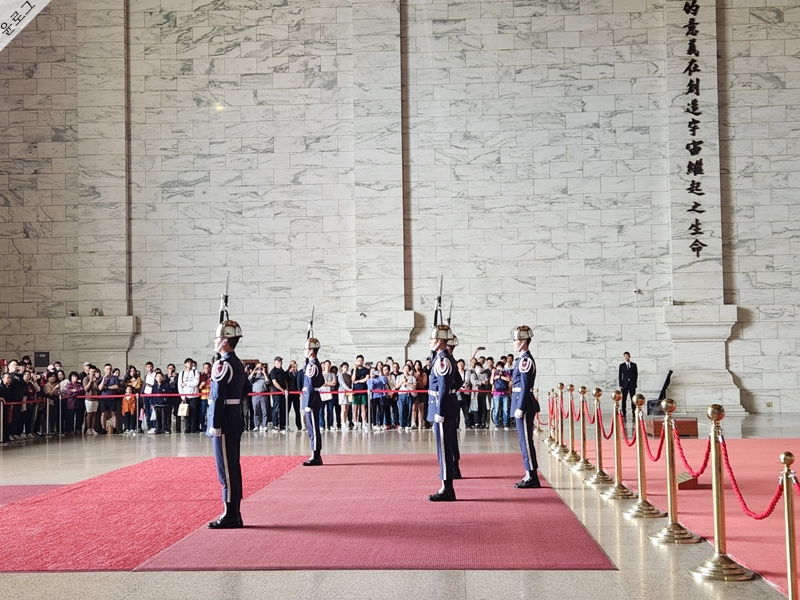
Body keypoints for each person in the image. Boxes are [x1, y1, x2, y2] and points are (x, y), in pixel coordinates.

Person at [207, 319, 248, 529]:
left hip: (223, 420)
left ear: (224, 341)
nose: (214, 341)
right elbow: (245, 390)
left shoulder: (222, 364)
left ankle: (230, 513)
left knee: (226, 470)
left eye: (217, 338)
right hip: (234, 417)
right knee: (233, 466)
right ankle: (234, 511)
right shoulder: (238, 363)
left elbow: (216, 396)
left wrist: (215, 424)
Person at [427, 324, 461, 501]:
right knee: (443, 448)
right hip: (440, 406)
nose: (430, 342)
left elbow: (443, 387)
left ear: (440, 341)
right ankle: (445, 485)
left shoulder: (443, 360)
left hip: (441, 408)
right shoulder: (440, 358)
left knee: (444, 448)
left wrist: (439, 410)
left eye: (432, 339)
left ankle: (447, 488)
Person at [510, 325, 541, 489]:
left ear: (523, 341)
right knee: (523, 440)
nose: (513, 344)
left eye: (515, 341)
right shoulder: (521, 360)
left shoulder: (525, 361)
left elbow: (524, 385)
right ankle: (529, 473)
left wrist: (520, 407)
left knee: (526, 441)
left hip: (524, 403)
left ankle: (532, 475)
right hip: (519, 401)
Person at [301, 333, 325, 465]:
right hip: (312, 397)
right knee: (312, 428)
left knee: (314, 429)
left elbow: (310, 386)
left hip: (312, 399)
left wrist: (308, 403)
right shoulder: (314, 364)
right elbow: (320, 381)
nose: (305, 352)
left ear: (311, 351)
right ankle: (314, 454)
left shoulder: (312, 365)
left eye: (306, 349)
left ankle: (316, 456)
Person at [249, 362, 270, 432]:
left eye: (260, 368)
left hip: (263, 394)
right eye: (258, 368)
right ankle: (256, 425)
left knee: (264, 410)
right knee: (255, 410)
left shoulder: (265, 376)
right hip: (255, 395)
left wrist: (264, 373)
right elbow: (249, 379)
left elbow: (268, 382)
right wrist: (254, 371)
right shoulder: (254, 377)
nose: (259, 369)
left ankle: (264, 425)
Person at [269, 357, 288, 432]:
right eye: (279, 361)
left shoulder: (282, 371)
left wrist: (286, 388)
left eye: (281, 361)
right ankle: (275, 425)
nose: (280, 362)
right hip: (277, 393)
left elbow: (285, 380)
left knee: (283, 409)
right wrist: (282, 389)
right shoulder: (273, 371)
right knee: (276, 409)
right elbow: (274, 382)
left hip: (283, 393)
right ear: (275, 362)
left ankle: (282, 425)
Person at [351, 355, 370, 431]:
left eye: (361, 360)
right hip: (355, 391)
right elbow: (353, 379)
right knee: (355, 409)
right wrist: (355, 370)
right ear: (356, 361)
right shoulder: (353, 370)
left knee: (363, 408)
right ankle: (355, 424)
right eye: (358, 360)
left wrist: (358, 381)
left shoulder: (366, 370)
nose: (359, 362)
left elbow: (366, 378)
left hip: (363, 390)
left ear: (363, 361)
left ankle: (364, 423)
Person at [618, 352, 638, 419]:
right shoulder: (622, 365)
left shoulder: (634, 365)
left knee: (633, 398)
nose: (626, 357)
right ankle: (623, 411)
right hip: (625, 384)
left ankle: (634, 411)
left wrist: (634, 383)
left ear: (629, 356)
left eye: (627, 356)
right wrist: (620, 384)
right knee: (624, 399)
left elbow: (636, 375)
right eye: (625, 356)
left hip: (632, 384)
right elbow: (620, 376)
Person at [337, 362, 353, 430]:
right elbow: (342, 383)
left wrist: (351, 390)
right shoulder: (340, 375)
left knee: (347, 409)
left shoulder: (349, 376)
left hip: (348, 393)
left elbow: (351, 383)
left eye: (347, 367)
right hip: (342, 392)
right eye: (344, 367)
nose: (345, 368)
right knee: (343, 409)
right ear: (341, 368)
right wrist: (348, 389)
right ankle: (342, 424)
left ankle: (345, 423)